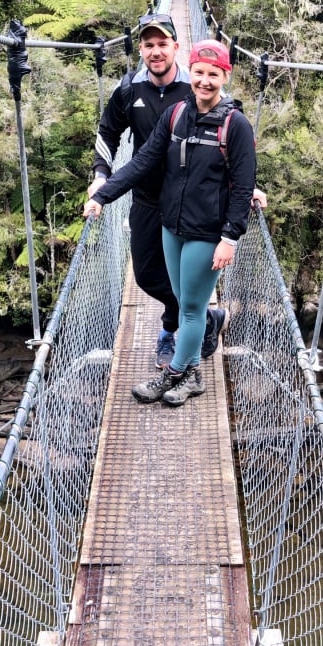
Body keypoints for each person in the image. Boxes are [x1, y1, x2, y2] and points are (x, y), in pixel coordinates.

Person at [84, 39, 257, 407]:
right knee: (181, 301)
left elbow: (243, 186)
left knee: (192, 308)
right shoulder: (176, 114)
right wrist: (102, 194)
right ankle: (192, 375)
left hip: (208, 233)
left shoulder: (236, 125)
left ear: (225, 76)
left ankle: (171, 374)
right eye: (199, 72)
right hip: (170, 225)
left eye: (214, 74)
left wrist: (230, 237)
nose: (205, 81)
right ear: (189, 72)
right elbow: (143, 160)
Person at [88, 13, 228, 369]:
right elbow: (108, 133)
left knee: (181, 278)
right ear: (141, 49)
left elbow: (227, 136)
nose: (156, 52)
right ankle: (204, 319)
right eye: (148, 45)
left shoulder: (196, 86)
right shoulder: (129, 89)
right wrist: (102, 176)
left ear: (176, 48)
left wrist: (246, 184)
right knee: (148, 275)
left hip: (190, 204)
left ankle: (171, 332)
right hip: (147, 199)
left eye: (162, 44)